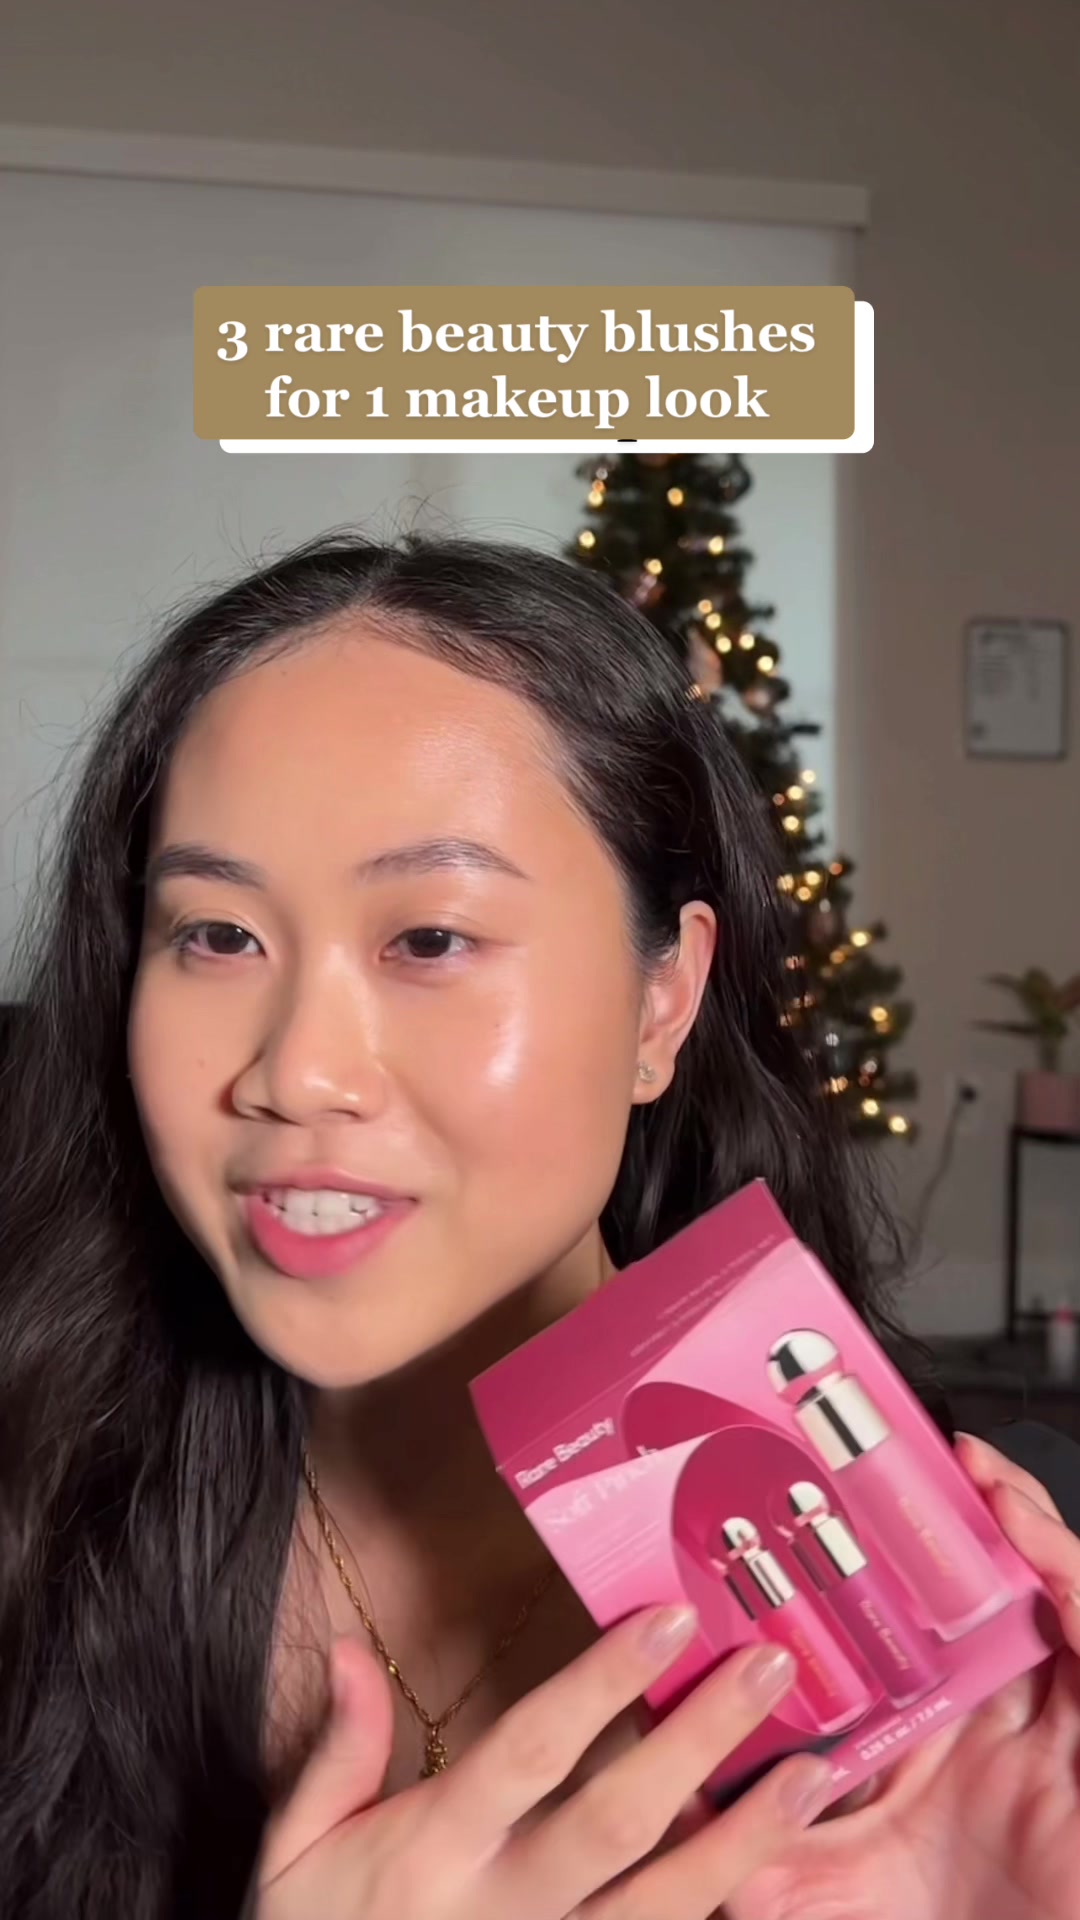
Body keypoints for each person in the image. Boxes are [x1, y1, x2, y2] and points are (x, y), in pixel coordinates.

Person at [1, 531, 1078, 1920]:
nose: (296, 1073)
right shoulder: (36, 1527)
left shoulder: (999, 1609)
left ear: (663, 1000)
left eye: (430, 940)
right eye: (216, 936)